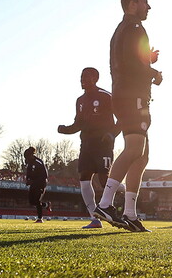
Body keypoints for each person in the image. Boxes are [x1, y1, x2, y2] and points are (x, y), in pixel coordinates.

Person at [94, 0, 163, 233]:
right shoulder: (134, 28)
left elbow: (132, 59)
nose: (149, 6)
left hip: (132, 96)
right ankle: (104, 203)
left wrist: (149, 59)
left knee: (141, 156)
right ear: (132, 4)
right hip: (131, 96)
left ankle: (130, 213)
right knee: (134, 149)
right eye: (145, 2)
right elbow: (130, 64)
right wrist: (153, 73)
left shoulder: (124, 30)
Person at [58, 67, 121, 229]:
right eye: (81, 77)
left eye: (86, 76)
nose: (82, 80)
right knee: (84, 178)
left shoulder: (106, 96)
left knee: (103, 178)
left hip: (103, 144)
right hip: (86, 144)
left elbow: (121, 118)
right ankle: (95, 218)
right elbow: (78, 124)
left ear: (95, 78)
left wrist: (112, 134)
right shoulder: (80, 100)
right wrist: (65, 129)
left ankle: (122, 192)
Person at [24, 147, 50, 223]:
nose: (26, 159)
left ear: (31, 155)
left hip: (41, 183)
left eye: (27, 157)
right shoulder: (29, 162)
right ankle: (46, 205)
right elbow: (28, 172)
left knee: (37, 200)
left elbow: (45, 175)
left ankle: (40, 218)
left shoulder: (39, 162)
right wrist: (28, 180)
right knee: (31, 201)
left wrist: (36, 181)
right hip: (33, 184)